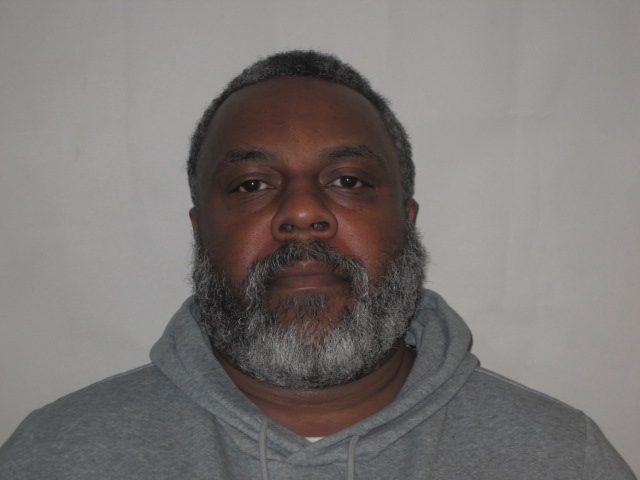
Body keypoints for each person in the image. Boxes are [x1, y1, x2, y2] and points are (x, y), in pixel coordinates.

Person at [0, 50, 635, 479]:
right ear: (200, 230)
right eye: (252, 184)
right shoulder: (53, 456)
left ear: (406, 219)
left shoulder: (563, 459)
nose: (302, 213)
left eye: (349, 180)